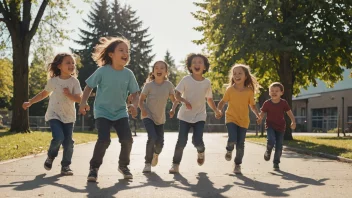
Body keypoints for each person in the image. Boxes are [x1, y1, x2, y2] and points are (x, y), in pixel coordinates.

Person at [79, 37, 139, 181]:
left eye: (127, 51)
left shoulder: (128, 74)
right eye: (121, 50)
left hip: (120, 112)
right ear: (111, 54)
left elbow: (135, 93)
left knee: (127, 140)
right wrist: (83, 103)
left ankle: (123, 166)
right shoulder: (102, 71)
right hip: (102, 112)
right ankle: (94, 168)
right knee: (104, 140)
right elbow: (89, 86)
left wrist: (134, 105)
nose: (125, 53)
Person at [22, 53, 82, 175]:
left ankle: (65, 166)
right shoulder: (53, 81)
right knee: (59, 137)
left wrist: (70, 95)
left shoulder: (74, 82)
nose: (71, 65)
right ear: (59, 66)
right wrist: (31, 102)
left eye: (73, 63)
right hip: (54, 114)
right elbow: (44, 94)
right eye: (68, 62)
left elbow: (79, 98)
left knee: (68, 142)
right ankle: (51, 156)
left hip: (69, 116)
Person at [169, 53, 222, 174]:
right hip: (184, 116)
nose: (197, 64)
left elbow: (209, 99)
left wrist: (216, 110)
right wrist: (184, 100)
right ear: (190, 66)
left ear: (204, 67)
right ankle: (175, 164)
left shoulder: (207, 82)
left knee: (197, 140)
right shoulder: (186, 80)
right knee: (181, 141)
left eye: (200, 62)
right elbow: (177, 94)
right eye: (194, 63)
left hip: (199, 116)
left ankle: (201, 151)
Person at [217, 64, 260, 174]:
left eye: (240, 73)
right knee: (232, 138)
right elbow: (223, 101)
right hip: (231, 117)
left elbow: (252, 105)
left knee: (240, 144)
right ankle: (229, 149)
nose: (237, 75)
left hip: (243, 120)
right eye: (234, 73)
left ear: (246, 76)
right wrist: (219, 110)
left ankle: (237, 165)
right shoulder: (230, 90)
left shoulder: (249, 91)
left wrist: (257, 114)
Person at [139, 60, 178, 173]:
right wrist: (143, 110)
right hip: (148, 115)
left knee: (160, 144)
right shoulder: (149, 85)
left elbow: (174, 100)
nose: (159, 70)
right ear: (153, 71)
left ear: (166, 72)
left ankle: (156, 154)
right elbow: (141, 100)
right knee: (152, 137)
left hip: (160, 119)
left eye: (162, 68)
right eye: (156, 68)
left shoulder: (168, 85)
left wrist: (172, 109)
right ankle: (147, 163)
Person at [257, 82, 296, 170]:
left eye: (276, 91)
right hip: (270, 125)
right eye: (272, 91)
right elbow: (262, 112)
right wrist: (260, 118)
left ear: (281, 93)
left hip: (281, 127)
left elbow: (289, 112)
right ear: (269, 92)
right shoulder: (267, 103)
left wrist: (293, 121)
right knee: (271, 140)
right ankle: (268, 151)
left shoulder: (283, 103)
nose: (274, 92)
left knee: (279, 146)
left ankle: (276, 163)